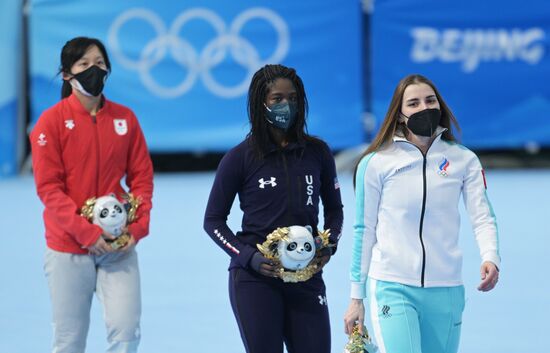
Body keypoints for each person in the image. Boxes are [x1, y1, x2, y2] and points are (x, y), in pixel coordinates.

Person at [343, 74, 500, 353]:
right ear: (400, 114)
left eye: (430, 100)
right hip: (393, 286)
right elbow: (363, 231)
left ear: (440, 105)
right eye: (413, 103)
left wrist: (491, 257)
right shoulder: (376, 163)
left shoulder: (464, 159)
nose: (423, 108)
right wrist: (357, 298)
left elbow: (482, 216)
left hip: (447, 289)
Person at [203, 64, 344, 353]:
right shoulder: (239, 158)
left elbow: (335, 211)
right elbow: (213, 221)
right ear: (261, 103)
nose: (286, 105)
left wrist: (328, 245)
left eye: (292, 98)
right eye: (277, 99)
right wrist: (247, 257)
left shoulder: (317, 153)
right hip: (255, 280)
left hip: (307, 278)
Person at [30, 37, 154, 353]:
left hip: (118, 244)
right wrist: (85, 232)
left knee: (127, 333)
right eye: (84, 64)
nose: (93, 70)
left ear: (108, 69)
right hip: (68, 247)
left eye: (99, 63)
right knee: (69, 340)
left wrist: (137, 228)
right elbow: (48, 188)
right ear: (67, 74)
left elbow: (141, 178)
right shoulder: (50, 122)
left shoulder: (125, 119)